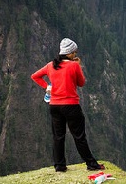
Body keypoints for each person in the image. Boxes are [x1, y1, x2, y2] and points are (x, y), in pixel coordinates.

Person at [31, 37, 104, 172]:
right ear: (69, 53)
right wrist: (79, 66)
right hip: (71, 106)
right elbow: (81, 83)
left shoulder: (50, 65)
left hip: (55, 106)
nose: (75, 54)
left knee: (58, 136)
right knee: (79, 136)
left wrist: (47, 87)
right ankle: (91, 164)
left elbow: (35, 76)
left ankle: (59, 166)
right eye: (74, 52)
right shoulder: (74, 65)